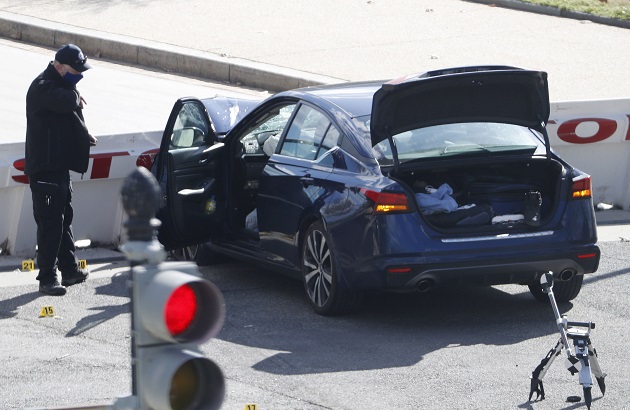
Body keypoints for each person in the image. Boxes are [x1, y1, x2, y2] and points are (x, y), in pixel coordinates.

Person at [25, 44, 97, 296]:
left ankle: (69, 269)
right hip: (45, 169)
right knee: (50, 224)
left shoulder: (61, 84)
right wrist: (75, 96)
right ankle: (47, 277)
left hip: (58, 168)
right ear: (59, 66)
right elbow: (64, 101)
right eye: (75, 70)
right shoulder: (43, 86)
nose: (78, 75)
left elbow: (67, 112)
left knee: (64, 217)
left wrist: (83, 133)